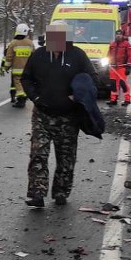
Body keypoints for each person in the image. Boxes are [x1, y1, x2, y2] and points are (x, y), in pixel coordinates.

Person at [20, 23, 98, 207]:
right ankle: (37, 193)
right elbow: (26, 77)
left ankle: (61, 191)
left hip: (68, 116)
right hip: (43, 114)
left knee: (66, 157)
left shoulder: (77, 56)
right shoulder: (38, 56)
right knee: (38, 154)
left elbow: (92, 79)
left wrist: (76, 96)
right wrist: (35, 96)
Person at [1, 23, 35, 107]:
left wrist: (6, 67)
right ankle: (24, 97)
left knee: (18, 85)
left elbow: (9, 57)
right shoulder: (30, 43)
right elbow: (34, 56)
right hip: (28, 70)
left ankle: (21, 101)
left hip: (17, 70)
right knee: (26, 83)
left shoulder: (13, 43)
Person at [107, 27, 131, 106]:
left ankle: (127, 99)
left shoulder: (127, 44)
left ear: (122, 35)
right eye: (117, 34)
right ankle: (113, 99)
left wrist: (128, 66)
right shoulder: (112, 44)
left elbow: (130, 56)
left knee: (123, 83)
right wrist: (108, 63)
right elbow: (109, 54)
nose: (118, 36)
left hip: (122, 67)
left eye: (120, 34)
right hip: (113, 67)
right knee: (113, 84)